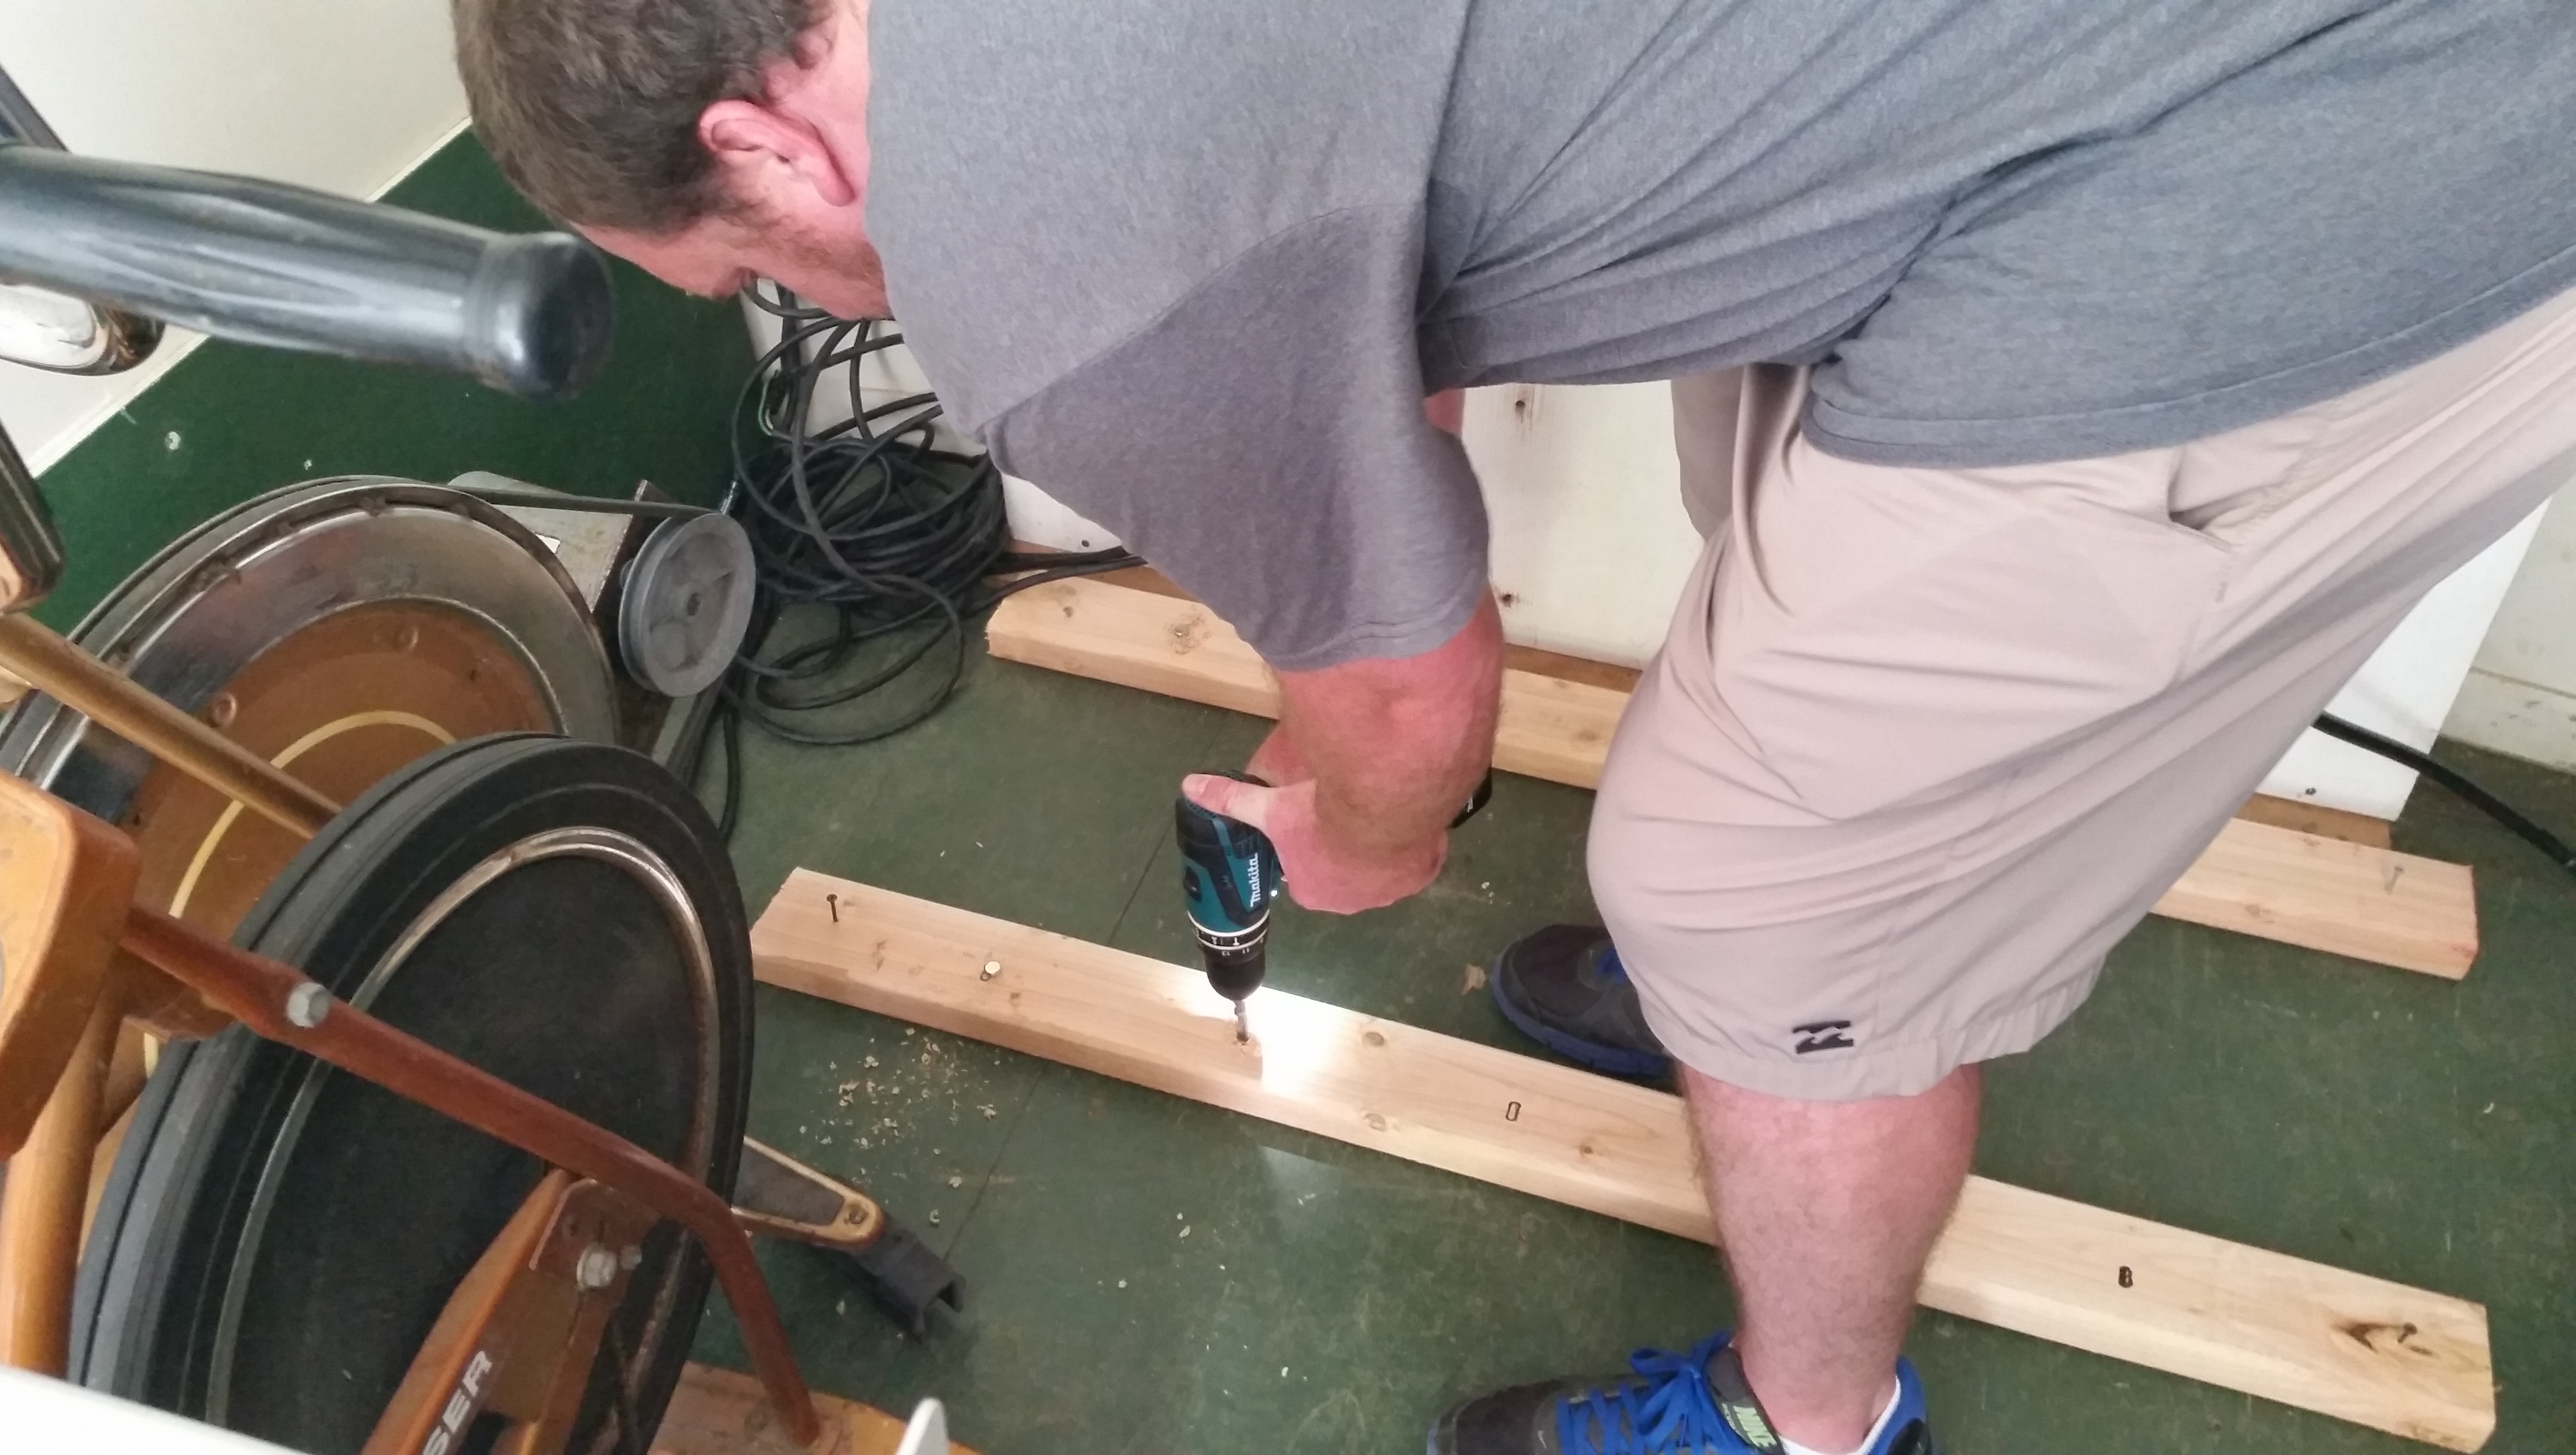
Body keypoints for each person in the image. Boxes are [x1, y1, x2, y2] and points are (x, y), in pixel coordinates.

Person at [451, 2, 2576, 1451]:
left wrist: (1368, 830)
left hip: (2348, 173)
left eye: (742, 269)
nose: (805, 305)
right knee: (1771, 555)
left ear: (762, 138)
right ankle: (1753, 1028)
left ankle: (1807, 1407)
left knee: (1748, 890)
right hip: (2042, 102)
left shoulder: (1041, 259)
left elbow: (1414, 703)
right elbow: (1357, 247)